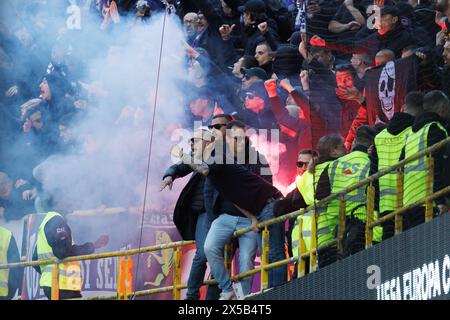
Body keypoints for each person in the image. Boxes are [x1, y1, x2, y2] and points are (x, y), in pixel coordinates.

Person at [160, 128, 215, 300]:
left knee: (214, 253)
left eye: (196, 140)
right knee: (203, 253)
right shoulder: (197, 159)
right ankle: (192, 297)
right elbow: (180, 166)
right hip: (204, 213)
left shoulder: (220, 158)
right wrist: (170, 175)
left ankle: (212, 293)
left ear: (209, 142)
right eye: (190, 141)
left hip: (221, 213)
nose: (191, 144)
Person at [315, 126, 383, 265]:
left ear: (355, 142)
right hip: (366, 225)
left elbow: (320, 196)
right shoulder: (373, 161)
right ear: (372, 144)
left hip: (340, 229)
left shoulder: (334, 165)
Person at [371, 91, 424, 240]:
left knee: (393, 254)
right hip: (413, 199)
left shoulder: (380, 137)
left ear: (402, 107)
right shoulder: (417, 130)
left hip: (386, 205)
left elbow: (373, 175)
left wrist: (376, 206)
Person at [401, 90, 450, 230]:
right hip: (429, 200)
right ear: (442, 107)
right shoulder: (436, 129)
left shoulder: (411, 132)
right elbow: (436, 165)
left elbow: (401, 165)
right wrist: (439, 199)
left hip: (409, 200)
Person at [33, 211, 109, 299]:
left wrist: (48, 275)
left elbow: (34, 259)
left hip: (51, 284)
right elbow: (63, 252)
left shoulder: (46, 222)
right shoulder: (57, 221)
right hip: (63, 285)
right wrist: (93, 246)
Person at [310, 5, 417, 60]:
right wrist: (326, 43)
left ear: (394, 20)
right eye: (378, 16)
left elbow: (422, 51)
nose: (378, 18)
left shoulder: (406, 37)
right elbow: (352, 46)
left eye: (383, 16)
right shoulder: (374, 38)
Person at [0, 226, 22, 300]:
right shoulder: (6, 235)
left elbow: (15, 267)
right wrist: (10, 294)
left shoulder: (7, 235)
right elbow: (16, 267)